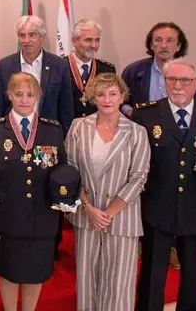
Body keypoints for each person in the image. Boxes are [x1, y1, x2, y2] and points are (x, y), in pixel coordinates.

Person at [133, 58, 196, 311]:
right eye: (172, 79)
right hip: (157, 206)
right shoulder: (145, 115)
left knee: (193, 273)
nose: (178, 86)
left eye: (185, 80)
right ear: (164, 82)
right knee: (152, 272)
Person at [0, 72, 67, 311]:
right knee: (7, 270)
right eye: (19, 94)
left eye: (30, 94)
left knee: (36, 272)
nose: (25, 100)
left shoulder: (52, 131)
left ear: (38, 96)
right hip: (7, 216)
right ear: (9, 95)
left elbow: (61, 172)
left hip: (42, 217)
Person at [64, 73, 150, 310]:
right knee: (87, 281)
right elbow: (70, 173)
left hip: (122, 217)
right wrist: (89, 209)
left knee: (119, 285)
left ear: (122, 96)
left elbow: (139, 177)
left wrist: (109, 212)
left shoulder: (137, 132)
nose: (107, 99)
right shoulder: (78, 127)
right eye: (101, 94)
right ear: (93, 97)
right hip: (86, 215)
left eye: (113, 94)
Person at [0, 16, 74, 134]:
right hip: (10, 135)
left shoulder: (59, 65)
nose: (26, 40)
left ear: (42, 37)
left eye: (32, 35)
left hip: (47, 133)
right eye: (22, 36)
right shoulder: (4, 66)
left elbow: (66, 108)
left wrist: (64, 137)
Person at [121, 22, 196, 115]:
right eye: (158, 40)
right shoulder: (133, 71)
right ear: (151, 45)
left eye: (169, 40)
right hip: (143, 126)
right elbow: (121, 101)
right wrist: (130, 112)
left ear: (178, 46)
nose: (163, 45)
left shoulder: (189, 72)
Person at [66, 19, 116, 118]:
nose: (94, 45)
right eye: (88, 40)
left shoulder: (107, 70)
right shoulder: (59, 66)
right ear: (74, 41)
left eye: (97, 40)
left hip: (96, 129)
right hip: (67, 130)